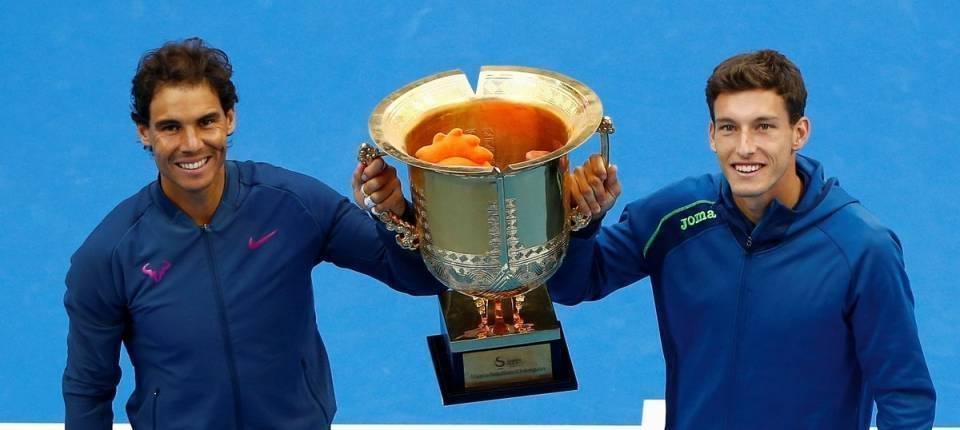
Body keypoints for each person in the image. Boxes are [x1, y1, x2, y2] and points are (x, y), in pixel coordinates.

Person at [62, 38, 443, 429]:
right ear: (144, 132)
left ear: (230, 119)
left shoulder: (294, 205)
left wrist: (394, 213)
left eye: (206, 121)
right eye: (171, 127)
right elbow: (88, 389)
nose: (192, 144)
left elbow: (419, 277)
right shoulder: (109, 255)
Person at [555, 50, 936, 428]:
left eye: (764, 126)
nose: (744, 147)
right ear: (712, 136)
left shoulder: (862, 249)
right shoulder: (674, 218)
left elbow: (905, 396)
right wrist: (582, 224)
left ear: (799, 133)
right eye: (729, 127)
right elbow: (574, 284)